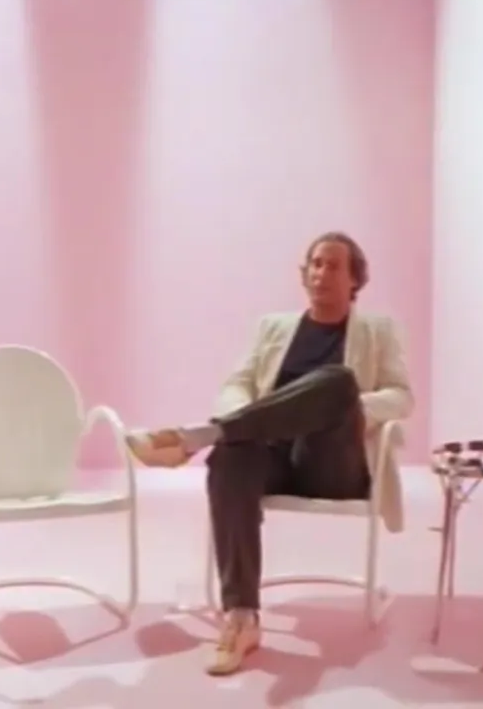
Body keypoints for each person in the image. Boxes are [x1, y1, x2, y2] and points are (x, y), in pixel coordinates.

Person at [125, 232, 414, 676]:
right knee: (230, 458)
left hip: (332, 462)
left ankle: (197, 437)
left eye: (333, 265)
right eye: (315, 263)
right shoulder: (274, 327)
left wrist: (354, 408)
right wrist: (243, 420)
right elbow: (237, 383)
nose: (321, 273)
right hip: (273, 456)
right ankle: (241, 617)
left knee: (337, 381)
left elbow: (401, 396)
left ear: (355, 278)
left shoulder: (377, 330)